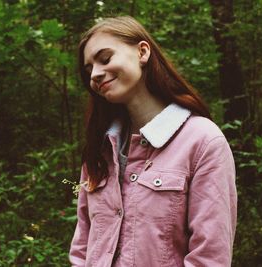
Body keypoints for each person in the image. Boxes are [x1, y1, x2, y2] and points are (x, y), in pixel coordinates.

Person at [69, 16, 237, 267]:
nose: (95, 74)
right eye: (88, 69)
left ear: (142, 52)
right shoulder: (101, 149)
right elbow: (83, 247)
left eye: (105, 59)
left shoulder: (202, 142)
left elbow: (210, 258)